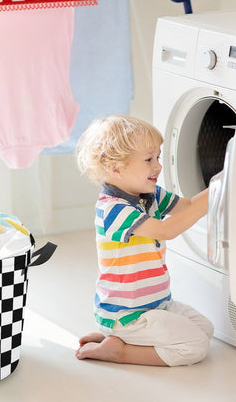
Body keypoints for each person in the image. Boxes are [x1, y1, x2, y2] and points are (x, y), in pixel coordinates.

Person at [75, 115, 213, 367]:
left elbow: (188, 206)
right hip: (127, 313)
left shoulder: (149, 195)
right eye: (149, 159)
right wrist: (216, 191)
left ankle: (117, 338)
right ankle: (119, 350)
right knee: (195, 346)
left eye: (157, 157)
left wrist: (220, 185)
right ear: (115, 168)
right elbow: (165, 230)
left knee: (206, 329)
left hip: (157, 304)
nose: (158, 166)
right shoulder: (113, 209)